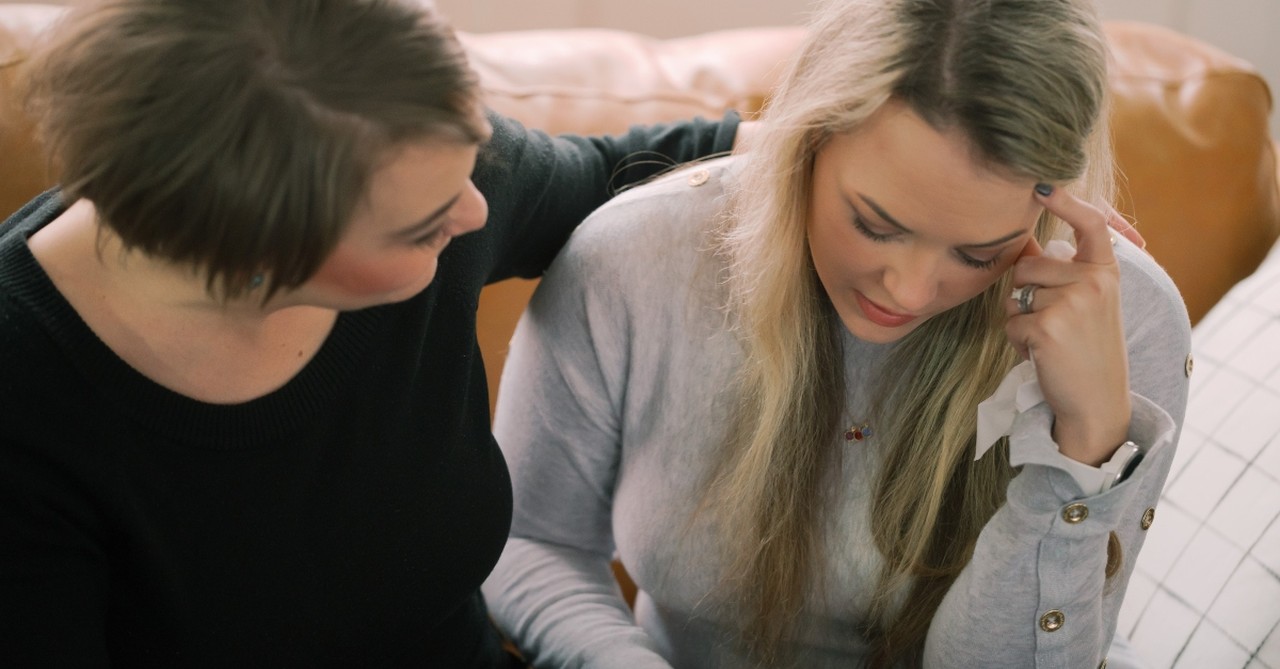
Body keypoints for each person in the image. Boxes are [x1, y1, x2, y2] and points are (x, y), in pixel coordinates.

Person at [0, 0, 744, 665]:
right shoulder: (28, 397)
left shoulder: (431, 173)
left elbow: (643, 167)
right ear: (256, 259)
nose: (476, 212)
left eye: (472, 163)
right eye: (423, 227)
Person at [482, 0, 1190, 666]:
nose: (910, 291)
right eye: (875, 225)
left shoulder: (1124, 320)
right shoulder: (633, 257)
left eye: (980, 254)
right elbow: (529, 537)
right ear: (805, 144)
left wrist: (1084, 448)